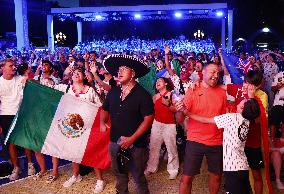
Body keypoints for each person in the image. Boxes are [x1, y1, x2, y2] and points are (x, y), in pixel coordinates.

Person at [187, 86, 260, 194]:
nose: (243, 99)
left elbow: (205, 120)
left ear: (242, 107)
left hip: (232, 167)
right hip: (243, 166)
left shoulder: (231, 117)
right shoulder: (247, 120)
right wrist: (251, 96)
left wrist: (187, 113)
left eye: (244, 101)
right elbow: (250, 107)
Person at [101, 54, 154, 194]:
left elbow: (148, 120)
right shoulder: (113, 92)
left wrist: (132, 138)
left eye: (124, 69)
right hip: (115, 141)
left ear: (133, 74)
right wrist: (102, 122)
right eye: (119, 69)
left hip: (137, 144)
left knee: (138, 176)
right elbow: (104, 109)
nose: (119, 71)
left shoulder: (143, 95)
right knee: (119, 173)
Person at [175, 62, 227, 194]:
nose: (216, 75)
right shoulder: (192, 90)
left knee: (216, 177)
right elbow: (179, 119)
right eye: (212, 72)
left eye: (217, 73)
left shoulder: (223, 91)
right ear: (202, 73)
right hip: (195, 140)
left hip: (217, 140)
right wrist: (179, 110)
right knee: (186, 178)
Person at [0, 59, 36, 180]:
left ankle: (30, 164)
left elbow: (35, 83)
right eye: (11, 66)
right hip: (5, 115)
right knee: (11, 142)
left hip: (22, 113)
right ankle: (16, 167)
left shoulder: (20, 78)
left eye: (14, 65)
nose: (14, 67)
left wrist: (29, 77)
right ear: (2, 68)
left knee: (25, 140)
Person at [144, 77, 179, 180]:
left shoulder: (172, 94)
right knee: (154, 146)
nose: (157, 83)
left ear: (166, 84)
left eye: (160, 81)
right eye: (156, 82)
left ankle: (173, 169)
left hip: (169, 124)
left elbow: (176, 109)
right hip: (157, 123)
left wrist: (168, 104)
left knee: (171, 147)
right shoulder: (155, 97)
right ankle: (151, 168)